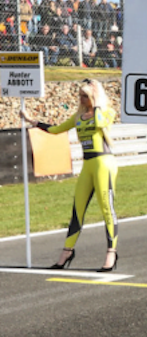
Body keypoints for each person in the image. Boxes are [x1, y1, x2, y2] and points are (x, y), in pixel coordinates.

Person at [21, 78, 119, 271]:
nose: (82, 99)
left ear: (95, 97)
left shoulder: (107, 112)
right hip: (88, 165)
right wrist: (34, 122)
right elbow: (57, 130)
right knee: (77, 210)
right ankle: (67, 251)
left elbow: (99, 123)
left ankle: (111, 253)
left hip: (104, 163)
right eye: (80, 96)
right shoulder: (78, 117)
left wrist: (98, 103)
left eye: (86, 96)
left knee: (107, 209)